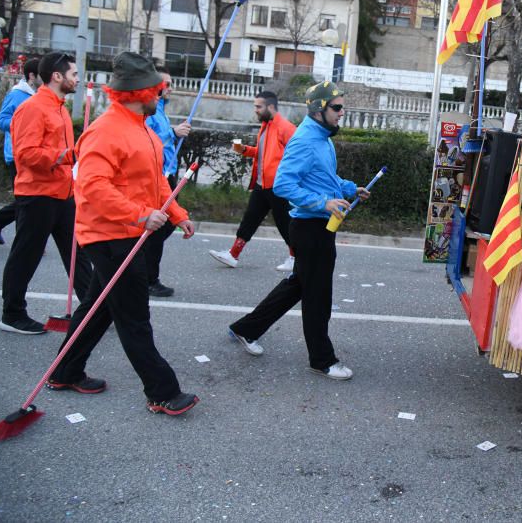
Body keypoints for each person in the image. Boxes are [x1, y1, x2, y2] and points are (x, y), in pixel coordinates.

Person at [48, 52, 199, 416]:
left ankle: (64, 371)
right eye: (156, 91)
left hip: (128, 232)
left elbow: (155, 183)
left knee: (98, 308)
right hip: (110, 235)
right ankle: (162, 391)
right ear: (137, 92)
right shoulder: (105, 130)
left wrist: (177, 214)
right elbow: (93, 188)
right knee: (133, 316)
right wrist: (140, 215)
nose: (160, 96)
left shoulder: (142, 127)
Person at [227, 81, 369, 381]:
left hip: (318, 226)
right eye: (337, 108)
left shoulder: (323, 137)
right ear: (319, 109)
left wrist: (348, 188)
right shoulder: (305, 139)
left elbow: (325, 177)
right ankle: (322, 360)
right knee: (318, 296)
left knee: (298, 285)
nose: (342, 113)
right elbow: (283, 185)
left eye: (342, 107)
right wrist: (323, 203)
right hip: (310, 228)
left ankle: (245, 328)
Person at [0, 52, 92, 335]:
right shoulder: (33, 108)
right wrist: (67, 155)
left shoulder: (60, 108)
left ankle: (93, 308)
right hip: (38, 194)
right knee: (26, 255)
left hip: (63, 193)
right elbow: (25, 154)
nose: (78, 79)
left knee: (77, 253)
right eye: (74, 74)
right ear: (57, 76)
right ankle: (12, 314)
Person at [209, 90, 297, 271]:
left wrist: (289, 179)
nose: (255, 110)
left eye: (258, 106)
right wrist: (243, 150)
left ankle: (295, 258)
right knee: (250, 219)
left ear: (270, 107)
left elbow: (298, 155)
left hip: (278, 186)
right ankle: (233, 255)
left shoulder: (286, 128)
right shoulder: (266, 126)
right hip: (261, 184)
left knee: (284, 223)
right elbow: (263, 152)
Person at [143, 69, 192, 297]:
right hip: (158, 175)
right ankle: (149, 277)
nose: (170, 88)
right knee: (161, 225)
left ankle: (145, 261)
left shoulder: (160, 110)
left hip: (168, 172)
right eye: (168, 84)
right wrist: (173, 132)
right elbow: (148, 139)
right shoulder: (150, 111)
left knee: (169, 222)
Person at [0, 57, 41, 245]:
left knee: (28, 200)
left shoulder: (38, 96)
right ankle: (22, 242)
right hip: (16, 155)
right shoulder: (17, 94)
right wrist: (23, 125)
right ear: (32, 76)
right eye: (41, 74)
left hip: (31, 155)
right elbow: (2, 121)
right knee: (25, 201)